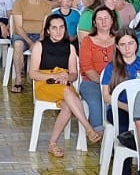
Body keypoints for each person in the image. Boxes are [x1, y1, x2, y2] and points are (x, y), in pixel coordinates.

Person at [29, 12, 101, 157]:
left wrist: (67, 76)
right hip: (45, 83)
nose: (58, 31)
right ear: (48, 30)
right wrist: (54, 76)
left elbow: (74, 74)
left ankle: (52, 144)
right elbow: (33, 74)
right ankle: (88, 127)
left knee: (68, 103)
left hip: (64, 84)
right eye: (54, 28)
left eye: (61, 27)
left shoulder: (70, 47)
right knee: (68, 92)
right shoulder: (39, 46)